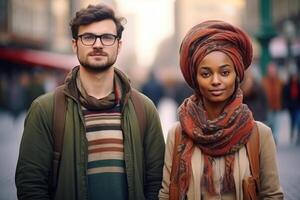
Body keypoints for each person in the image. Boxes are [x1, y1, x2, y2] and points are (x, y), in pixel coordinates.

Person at [15, 4, 165, 200]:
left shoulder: (144, 109)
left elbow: (157, 182)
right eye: (88, 37)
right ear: (75, 44)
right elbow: (31, 186)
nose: (98, 44)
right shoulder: (45, 110)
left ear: (119, 45)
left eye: (107, 37)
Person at [159, 20, 283, 199]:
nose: (216, 81)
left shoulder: (260, 135)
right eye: (206, 73)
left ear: (236, 76)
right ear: (195, 79)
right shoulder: (177, 135)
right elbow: (166, 194)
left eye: (225, 72)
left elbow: (273, 195)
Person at [261, 62, 283, 144]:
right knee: (269, 126)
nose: (272, 71)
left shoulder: (280, 81)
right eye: (270, 70)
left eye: (273, 70)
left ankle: (274, 141)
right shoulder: (264, 81)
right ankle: (271, 141)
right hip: (268, 108)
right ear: (268, 71)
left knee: (276, 126)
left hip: (277, 107)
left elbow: (282, 93)